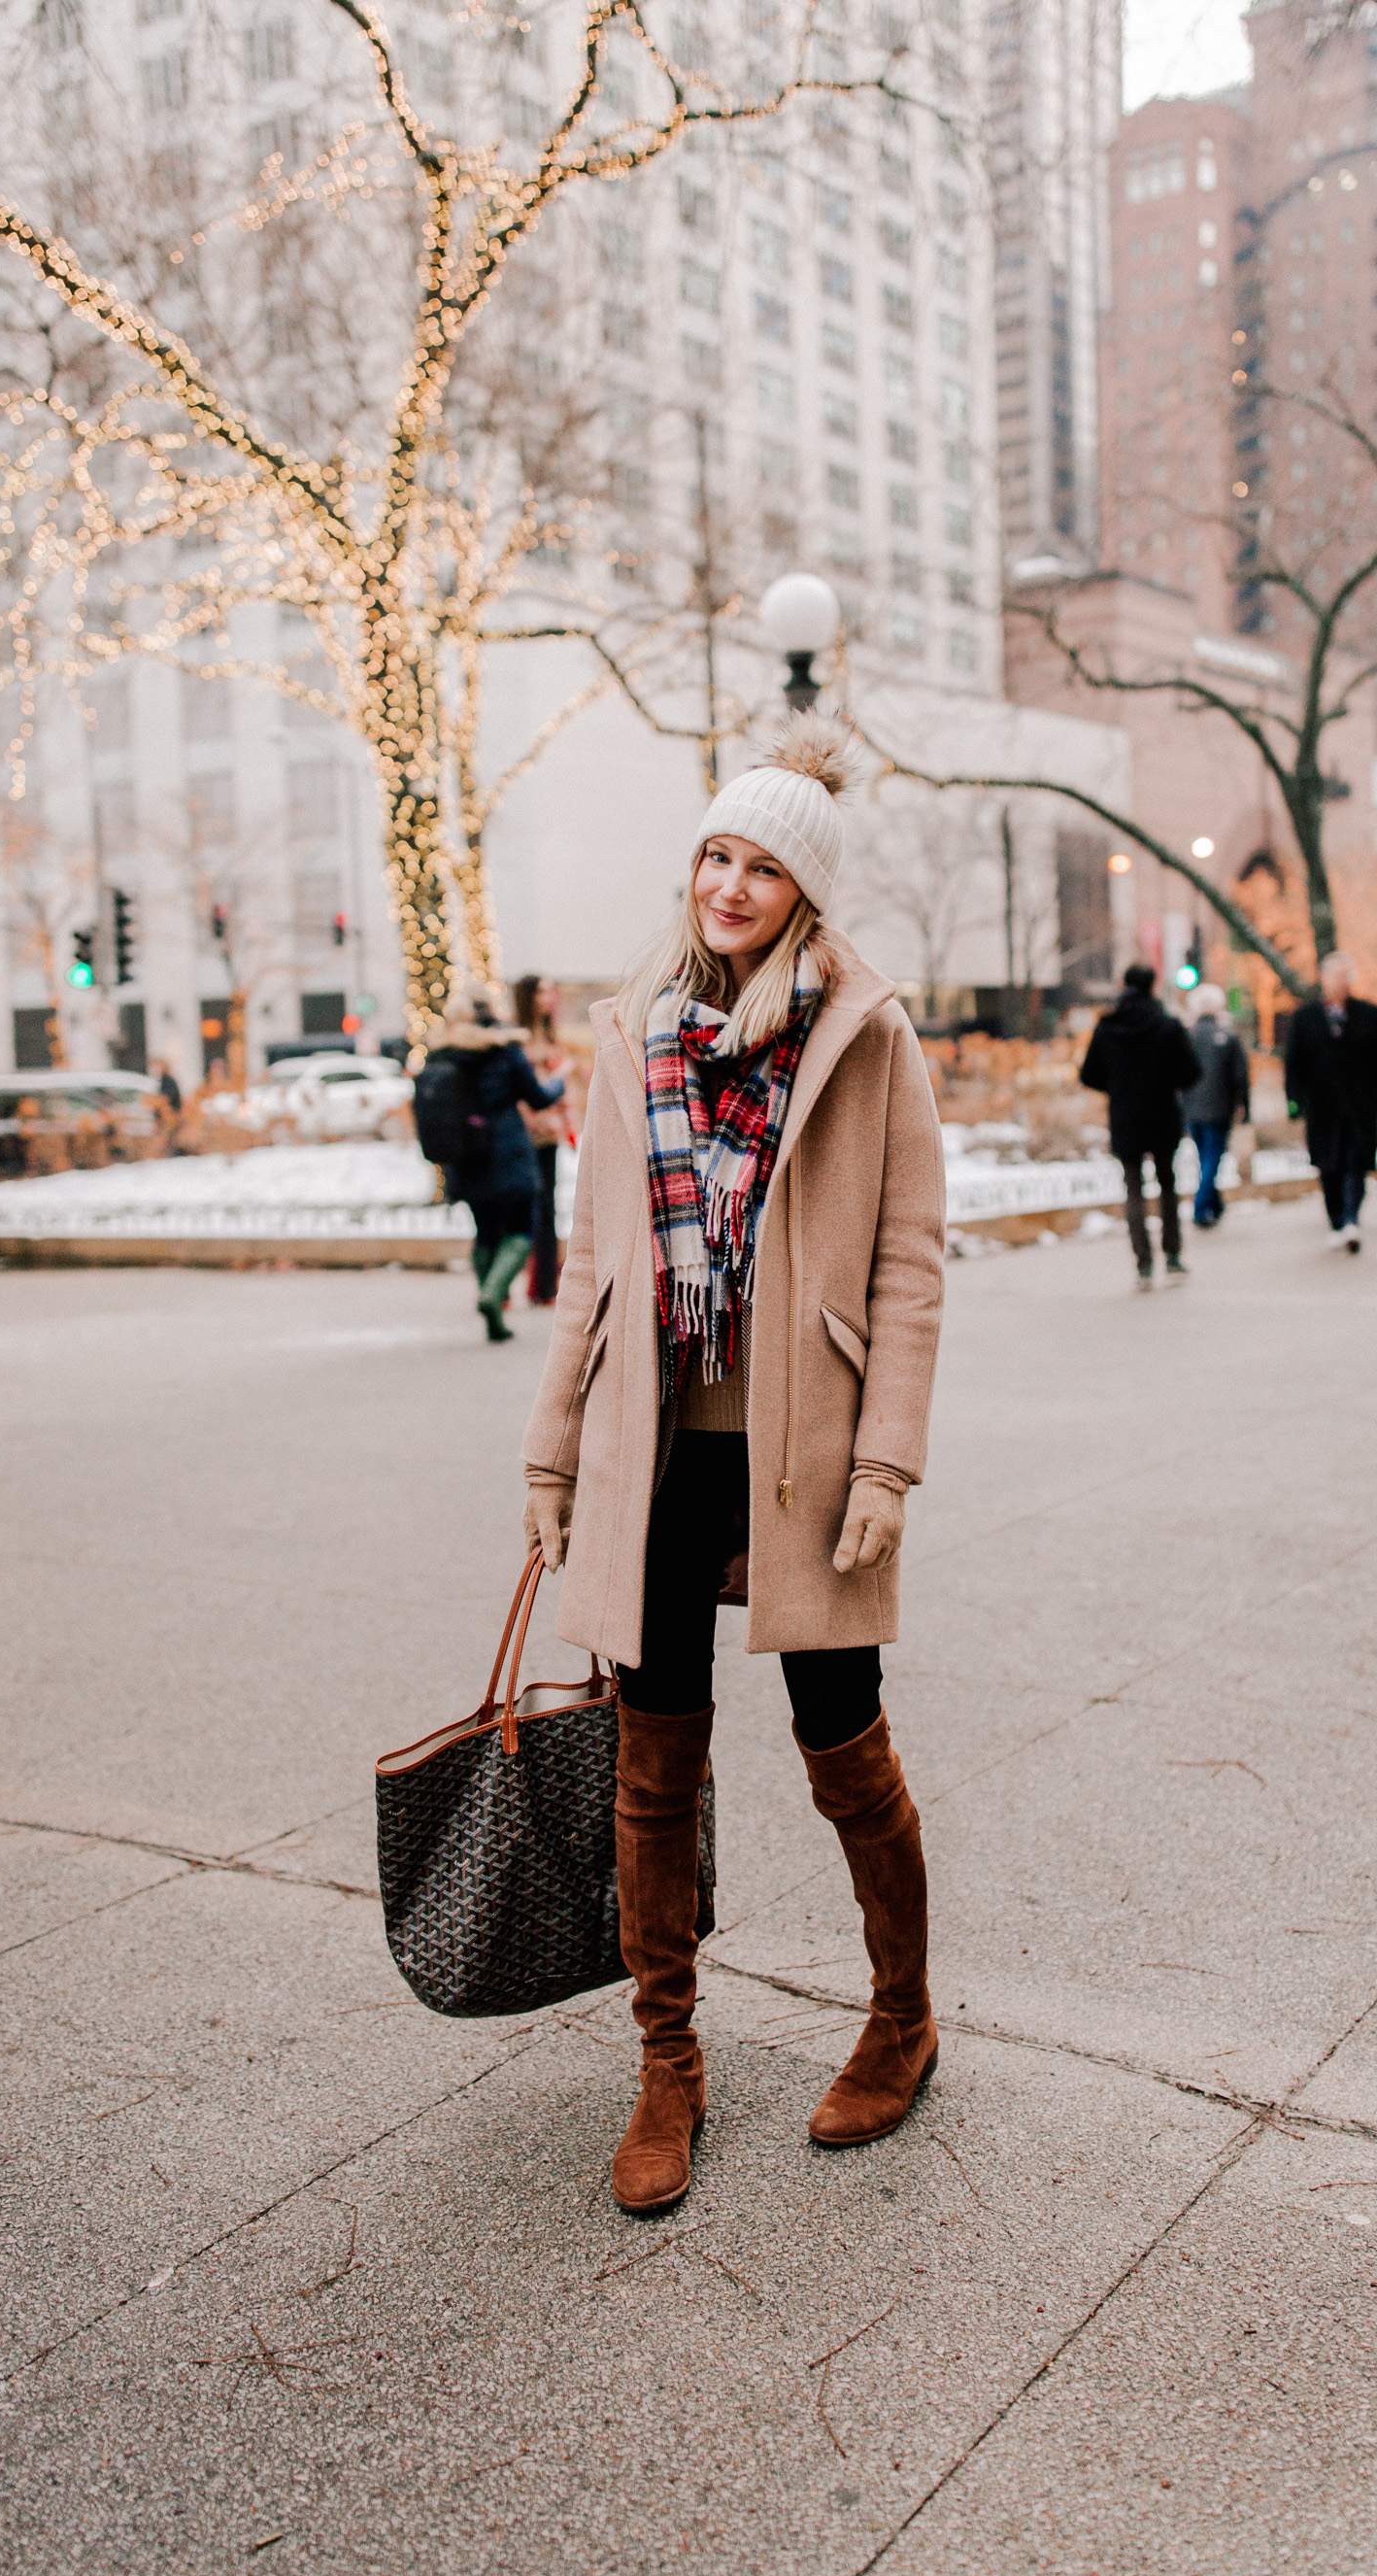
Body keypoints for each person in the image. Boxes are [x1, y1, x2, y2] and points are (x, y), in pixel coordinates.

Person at [521, 721, 945, 2217]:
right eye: (716, 853)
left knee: (846, 1749)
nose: (729, 882)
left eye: (763, 866)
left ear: (803, 895)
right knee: (654, 1771)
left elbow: (908, 1267)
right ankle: (667, 2065)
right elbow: (592, 1261)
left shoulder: (865, 1034)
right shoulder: (630, 1032)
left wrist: (887, 1459)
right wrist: (552, 1451)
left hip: (806, 1455)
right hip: (655, 1452)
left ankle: (902, 2019)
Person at [414, 994, 563, 1339]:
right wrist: (558, 1082)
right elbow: (537, 1097)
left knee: (485, 1232)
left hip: (465, 1157)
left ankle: (492, 1315)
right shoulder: (505, 1050)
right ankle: (492, 1295)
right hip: (508, 1152)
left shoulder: (441, 1053)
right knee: (522, 1230)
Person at [1079, 963, 1199, 1289]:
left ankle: (1143, 1264)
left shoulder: (1107, 1027)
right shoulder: (1168, 1025)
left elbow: (1088, 1074)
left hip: (1125, 1117)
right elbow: (1191, 1072)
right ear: (1153, 985)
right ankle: (1173, 1258)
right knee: (1167, 1185)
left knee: (1133, 1189)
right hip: (1162, 1115)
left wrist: (1118, 1085)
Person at [1282, 950, 1377, 1254]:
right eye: (1336, 976)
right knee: (1329, 1166)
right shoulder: (1305, 1018)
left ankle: (1351, 1219)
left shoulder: (1370, 1015)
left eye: (1347, 976)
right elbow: (1294, 1063)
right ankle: (1335, 1220)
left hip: (1361, 1106)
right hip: (1322, 1108)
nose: (1342, 982)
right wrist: (1294, 1101)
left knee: (1356, 1163)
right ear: (1324, 979)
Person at [512, 973, 573, 1305]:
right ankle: (512, 1282)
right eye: (541, 992)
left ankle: (544, 1285)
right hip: (522, 1134)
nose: (548, 998)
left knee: (547, 1207)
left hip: (548, 1132)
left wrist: (569, 1124)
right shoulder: (516, 1037)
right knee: (522, 1208)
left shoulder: (549, 1034)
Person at [1180, 983, 1251, 1229]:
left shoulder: (1187, 1037)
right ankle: (1201, 1207)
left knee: (1205, 1158)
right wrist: (1245, 1109)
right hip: (1219, 1109)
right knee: (1212, 1158)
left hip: (1192, 1109)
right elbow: (1240, 1077)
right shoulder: (1228, 1037)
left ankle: (1213, 1204)